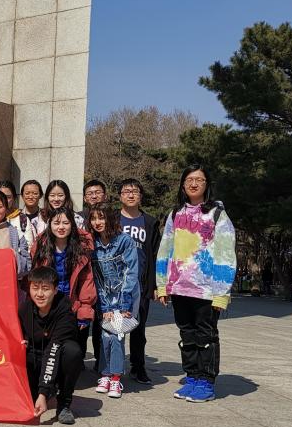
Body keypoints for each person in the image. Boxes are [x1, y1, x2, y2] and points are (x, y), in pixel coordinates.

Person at [156, 164, 236, 403]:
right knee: (187, 335)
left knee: (206, 336)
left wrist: (222, 292)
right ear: (183, 185)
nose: (194, 184)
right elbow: (165, 248)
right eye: (189, 179)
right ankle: (192, 376)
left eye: (199, 180)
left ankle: (206, 381)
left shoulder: (217, 214)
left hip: (206, 290)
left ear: (206, 185)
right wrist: (162, 284)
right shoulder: (175, 214)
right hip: (180, 287)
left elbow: (226, 253)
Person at [88, 202, 140, 400]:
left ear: (110, 218)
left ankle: (116, 378)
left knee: (117, 335)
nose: (97, 222)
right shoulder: (93, 244)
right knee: (105, 336)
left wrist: (124, 304)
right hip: (105, 296)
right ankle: (105, 374)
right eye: (93, 218)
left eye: (101, 217)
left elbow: (131, 273)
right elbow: (97, 279)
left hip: (126, 295)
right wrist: (105, 306)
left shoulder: (124, 241)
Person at [20, 266, 84, 425]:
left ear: (55, 290)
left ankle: (64, 404)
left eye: (45, 289)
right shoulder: (24, 309)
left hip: (57, 356)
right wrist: (22, 341)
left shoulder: (65, 312)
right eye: (35, 288)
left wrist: (42, 393)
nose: (39, 294)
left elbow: (53, 350)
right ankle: (42, 391)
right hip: (35, 359)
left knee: (73, 351)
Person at [30, 209, 96, 351]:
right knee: (48, 347)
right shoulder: (41, 246)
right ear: (50, 225)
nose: (61, 227)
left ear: (72, 224)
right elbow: (34, 278)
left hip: (71, 305)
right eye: (56, 223)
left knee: (72, 349)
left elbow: (86, 281)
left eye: (66, 223)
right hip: (48, 304)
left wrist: (85, 309)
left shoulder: (81, 248)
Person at [118, 178, 161, 384]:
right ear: (120, 196)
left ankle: (138, 366)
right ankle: (112, 368)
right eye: (126, 191)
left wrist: (155, 285)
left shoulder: (149, 222)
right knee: (114, 327)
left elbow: (155, 254)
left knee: (138, 328)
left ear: (140, 196)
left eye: (135, 191)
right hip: (116, 283)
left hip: (139, 284)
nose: (131, 194)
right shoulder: (112, 219)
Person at [0, 180, 33, 249]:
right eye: (0, 196)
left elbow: (28, 247)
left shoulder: (23, 219)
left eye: (8, 197)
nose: (4, 200)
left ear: (14, 198)